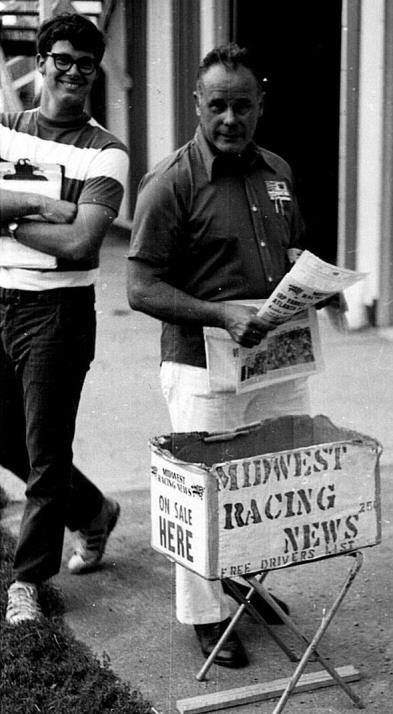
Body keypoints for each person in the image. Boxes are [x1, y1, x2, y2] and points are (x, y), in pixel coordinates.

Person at [127, 43, 313, 668]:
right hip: (199, 365)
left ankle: (246, 581)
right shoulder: (171, 182)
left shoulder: (279, 171)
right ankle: (206, 615)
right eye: (218, 107)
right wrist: (217, 312)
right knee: (201, 493)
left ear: (260, 105)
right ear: (197, 107)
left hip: (276, 360)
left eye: (241, 105)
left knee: (267, 480)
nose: (230, 118)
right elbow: (140, 287)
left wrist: (312, 290)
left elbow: (291, 251)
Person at [0, 12, 129, 625]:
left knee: (46, 451)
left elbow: (82, 244)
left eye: (86, 64)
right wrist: (42, 204)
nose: (75, 73)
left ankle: (28, 582)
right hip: (0, 298)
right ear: (41, 62)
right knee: (8, 440)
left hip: (57, 313)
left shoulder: (106, 151)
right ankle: (94, 512)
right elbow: (65, 223)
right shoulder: (5, 126)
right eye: (63, 60)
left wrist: (6, 218)